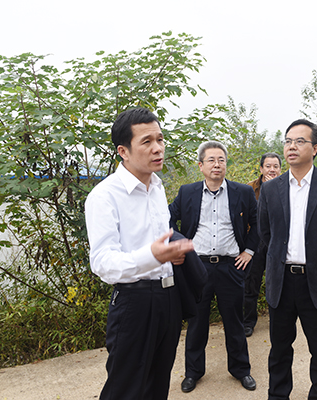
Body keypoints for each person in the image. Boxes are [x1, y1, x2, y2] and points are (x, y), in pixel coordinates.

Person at [85, 107, 205, 400]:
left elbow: (158, 244)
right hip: (134, 303)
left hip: (169, 298)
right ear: (123, 151)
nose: (158, 148)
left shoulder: (157, 187)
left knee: (157, 386)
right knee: (125, 390)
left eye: (160, 139)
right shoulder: (104, 196)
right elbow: (103, 263)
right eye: (147, 141)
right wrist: (153, 256)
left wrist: (171, 255)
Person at [258, 119, 317, 400]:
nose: (291, 146)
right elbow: (266, 232)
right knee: (279, 349)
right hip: (281, 282)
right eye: (288, 141)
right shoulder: (271, 189)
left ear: (315, 148)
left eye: (299, 141)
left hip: (316, 282)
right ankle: (278, 395)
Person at [169, 141, 259, 393]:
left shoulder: (243, 192)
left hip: (231, 266)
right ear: (201, 165)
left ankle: (241, 370)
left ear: (226, 164)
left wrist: (249, 251)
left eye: (221, 160)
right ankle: (193, 372)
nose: (217, 164)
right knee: (196, 323)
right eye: (211, 160)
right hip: (197, 267)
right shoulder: (187, 192)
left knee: (234, 321)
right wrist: (180, 244)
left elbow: (258, 223)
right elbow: (167, 218)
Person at [243, 152, 281, 337]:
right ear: (261, 168)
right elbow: (247, 216)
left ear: (280, 169)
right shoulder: (249, 188)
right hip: (256, 242)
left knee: (279, 284)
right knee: (251, 284)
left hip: (278, 242)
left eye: (275, 166)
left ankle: (279, 321)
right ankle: (248, 322)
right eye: (268, 166)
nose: (272, 170)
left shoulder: (286, 187)